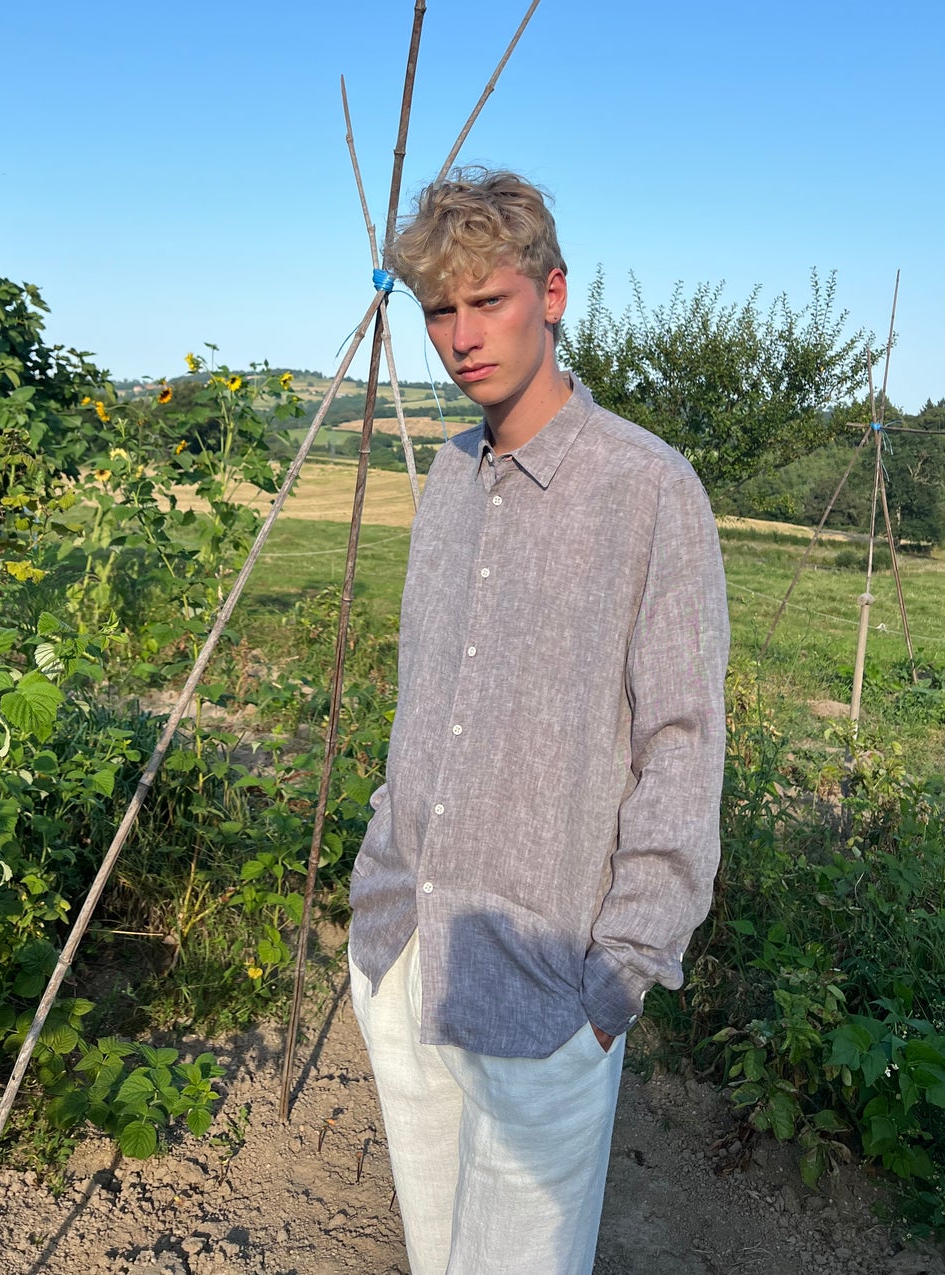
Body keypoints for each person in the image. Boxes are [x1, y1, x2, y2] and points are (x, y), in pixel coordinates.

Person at [347, 167, 729, 1275]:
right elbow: (426, 698)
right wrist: (377, 898)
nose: (462, 336)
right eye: (438, 311)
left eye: (488, 301)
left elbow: (682, 740)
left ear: (551, 294)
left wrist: (619, 976)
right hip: (410, 945)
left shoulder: (646, 489)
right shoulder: (451, 478)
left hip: (551, 976)